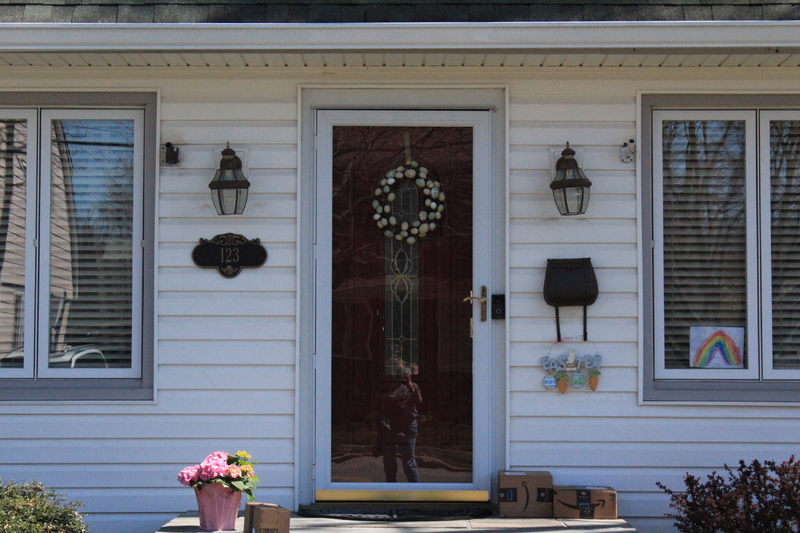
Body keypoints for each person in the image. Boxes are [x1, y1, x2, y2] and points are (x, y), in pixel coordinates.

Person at [380, 368, 422, 482]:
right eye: (397, 374)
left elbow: (418, 401)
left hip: (407, 429)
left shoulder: (413, 386)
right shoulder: (388, 388)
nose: (399, 377)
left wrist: (409, 383)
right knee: (389, 463)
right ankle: (391, 490)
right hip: (390, 428)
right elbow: (383, 409)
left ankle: (415, 492)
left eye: (402, 375)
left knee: (409, 463)